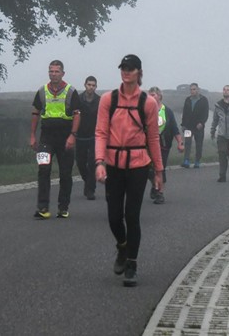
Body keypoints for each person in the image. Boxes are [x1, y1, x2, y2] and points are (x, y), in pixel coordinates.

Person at [95, 54, 163, 287]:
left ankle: (132, 264)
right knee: (114, 217)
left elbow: (153, 137)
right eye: (123, 67)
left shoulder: (148, 103)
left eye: (131, 68)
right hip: (113, 163)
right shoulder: (108, 99)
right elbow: (101, 132)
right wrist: (99, 162)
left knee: (132, 215)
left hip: (138, 164)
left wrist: (158, 171)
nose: (126, 71)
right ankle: (122, 247)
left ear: (139, 73)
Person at [30, 60, 80, 219]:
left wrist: (73, 135)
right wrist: (32, 135)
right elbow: (35, 113)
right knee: (43, 169)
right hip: (46, 136)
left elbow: (77, 115)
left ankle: (63, 207)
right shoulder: (42, 91)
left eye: (57, 71)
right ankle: (42, 208)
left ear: (63, 73)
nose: (53, 74)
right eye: (51, 71)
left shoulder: (71, 91)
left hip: (66, 137)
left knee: (65, 173)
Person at [147, 86, 184, 204]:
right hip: (147, 145)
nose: (151, 97)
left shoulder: (167, 111)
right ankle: (155, 184)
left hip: (163, 144)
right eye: (149, 95)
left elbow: (174, 128)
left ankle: (159, 193)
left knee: (159, 169)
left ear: (159, 96)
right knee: (147, 168)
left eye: (153, 95)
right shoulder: (145, 110)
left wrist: (180, 143)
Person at [75, 76, 100, 200]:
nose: (91, 87)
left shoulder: (100, 101)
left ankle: (90, 189)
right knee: (80, 163)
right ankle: (88, 181)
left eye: (93, 85)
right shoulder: (78, 99)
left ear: (96, 87)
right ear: (85, 85)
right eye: (89, 84)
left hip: (94, 137)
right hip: (80, 136)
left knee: (92, 163)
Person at [180, 83, 209, 168]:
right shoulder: (187, 100)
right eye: (191, 89)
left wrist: (202, 123)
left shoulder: (204, 100)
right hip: (188, 127)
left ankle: (197, 161)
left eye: (194, 89)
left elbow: (205, 113)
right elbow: (184, 112)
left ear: (198, 89)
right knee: (187, 143)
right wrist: (183, 125)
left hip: (198, 127)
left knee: (199, 144)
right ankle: (186, 160)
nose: (192, 91)